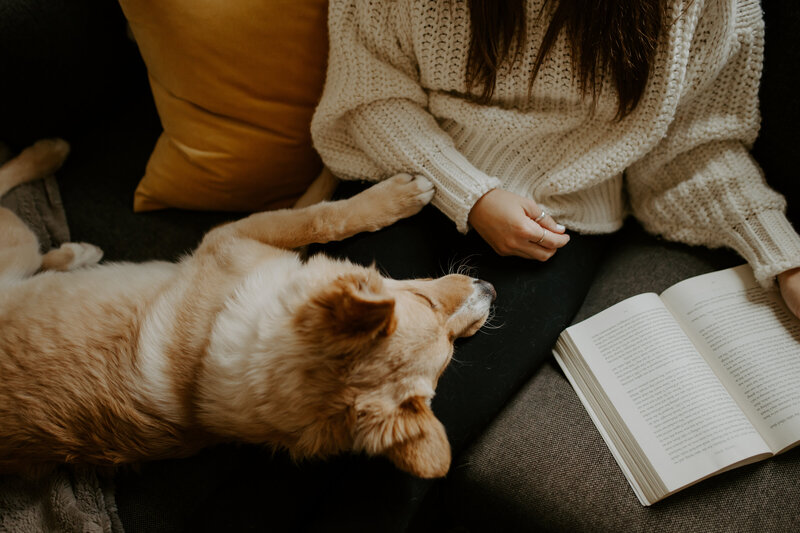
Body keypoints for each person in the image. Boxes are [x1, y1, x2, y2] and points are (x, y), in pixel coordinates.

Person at [307, 0, 800, 529]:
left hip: (558, 222)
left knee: (414, 437)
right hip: (400, 177)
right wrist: (471, 196)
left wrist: (785, 258)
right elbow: (371, 94)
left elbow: (695, 149)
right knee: (326, 378)